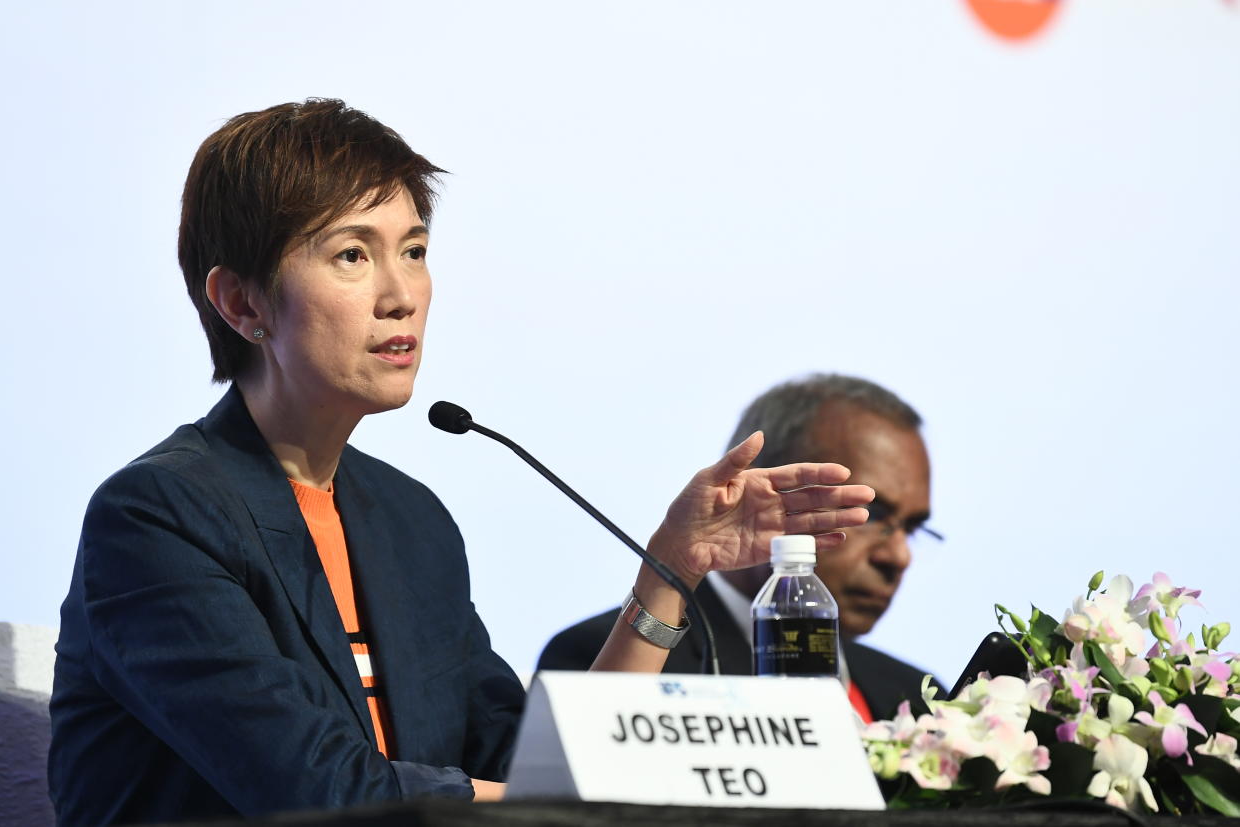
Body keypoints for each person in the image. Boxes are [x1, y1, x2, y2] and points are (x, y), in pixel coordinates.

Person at [46, 100, 874, 825]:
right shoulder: (156, 517)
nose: (402, 292)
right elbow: (322, 791)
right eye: (351, 255)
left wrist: (671, 568)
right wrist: (570, 804)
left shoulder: (409, 521)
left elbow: (525, 770)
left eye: (413, 249)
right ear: (241, 302)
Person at [538, 373, 940, 721]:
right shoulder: (602, 662)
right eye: (869, 514)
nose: (898, 557)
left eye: (912, 528)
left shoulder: (912, 697)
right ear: (764, 487)